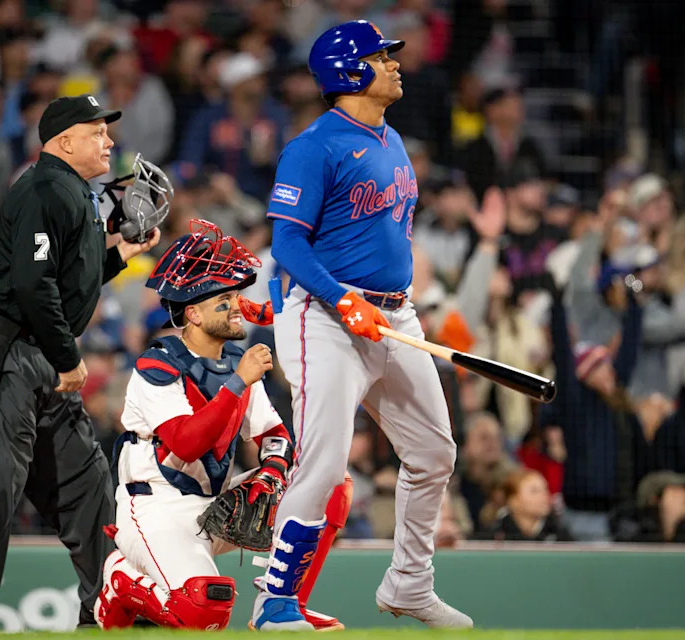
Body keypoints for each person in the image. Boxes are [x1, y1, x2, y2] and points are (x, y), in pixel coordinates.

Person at [250, 21, 474, 630]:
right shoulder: (313, 146)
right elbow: (287, 245)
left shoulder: (390, 138)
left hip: (392, 314)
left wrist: (388, 300)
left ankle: (409, 584)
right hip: (323, 317)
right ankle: (275, 602)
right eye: (381, 56)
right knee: (322, 462)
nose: (394, 64)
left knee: (433, 452)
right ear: (349, 72)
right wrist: (342, 297)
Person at [0, 94, 164, 630]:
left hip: (39, 356)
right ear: (63, 141)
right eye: (97, 132)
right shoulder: (44, 187)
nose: (109, 141)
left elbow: (64, 282)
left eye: (108, 132)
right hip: (19, 355)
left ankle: (107, 604)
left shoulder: (70, 191)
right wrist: (67, 356)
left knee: (86, 485)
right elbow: (32, 286)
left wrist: (116, 257)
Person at [94, 221, 348, 631]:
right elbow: (186, 442)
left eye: (235, 295)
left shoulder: (234, 362)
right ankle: (122, 580)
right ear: (192, 313)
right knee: (206, 609)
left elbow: (275, 436)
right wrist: (238, 383)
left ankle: (284, 605)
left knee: (330, 481)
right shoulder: (156, 364)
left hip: (213, 507)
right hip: (156, 507)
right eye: (224, 299)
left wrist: (271, 470)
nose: (237, 305)